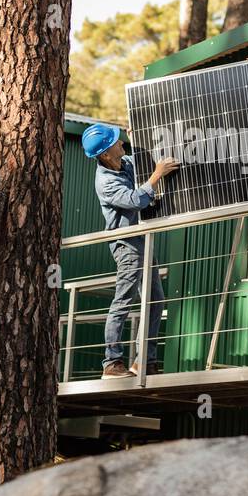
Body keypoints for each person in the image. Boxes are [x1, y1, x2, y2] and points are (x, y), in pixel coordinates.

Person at [83, 123, 179, 379]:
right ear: (104, 154)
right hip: (126, 245)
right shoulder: (105, 182)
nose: (121, 144)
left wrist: (139, 136)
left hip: (142, 239)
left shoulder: (124, 162)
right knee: (123, 301)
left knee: (156, 301)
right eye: (116, 142)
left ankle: (144, 361)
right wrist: (157, 176)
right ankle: (112, 363)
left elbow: (142, 162)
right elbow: (136, 200)